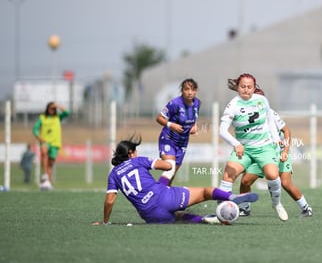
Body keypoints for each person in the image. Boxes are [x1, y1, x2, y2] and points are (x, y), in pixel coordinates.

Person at [91, 135, 259, 225]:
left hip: (149, 215)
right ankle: (230, 197)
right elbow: (167, 166)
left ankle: (207, 220)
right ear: (130, 154)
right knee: (205, 192)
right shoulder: (138, 160)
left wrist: (105, 221)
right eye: (134, 151)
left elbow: (110, 201)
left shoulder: (113, 174)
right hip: (164, 196)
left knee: (178, 217)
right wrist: (164, 159)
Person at [228, 80, 313, 218]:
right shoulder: (246, 112)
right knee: (245, 181)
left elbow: (287, 131)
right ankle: (245, 209)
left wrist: (285, 151)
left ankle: (306, 208)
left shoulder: (270, 113)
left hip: (278, 152)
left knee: (286, 183)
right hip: (262, 152)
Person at [218, 73, 288, 221]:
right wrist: (236, 144)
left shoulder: (262, 100)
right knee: (228, 175)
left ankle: (277, 204)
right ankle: (222, 208)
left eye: (249, 87)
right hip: (245, 150)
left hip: (265, 148)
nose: (246, 90)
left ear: (254, 88)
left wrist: (276, 139)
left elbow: (269, 120)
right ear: (237, 87)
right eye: (243, 86)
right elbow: (222, 131)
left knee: (272, 175)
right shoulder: (233, 105)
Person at [156, 78, 201, 186]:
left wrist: (194, 126)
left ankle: (164, 198)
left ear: (196, 91)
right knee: (169, 167)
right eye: (187, 89)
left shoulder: (197, 103)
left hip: (183, 142)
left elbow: (193, 119)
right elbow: (159, 118)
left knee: (171, 175)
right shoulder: (174, 103)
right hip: (168, 138)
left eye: (193, 89)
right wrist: (171, 125)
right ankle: (155, 194)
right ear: (182, 90)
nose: (190, 92)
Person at [32, 102, 70, 190]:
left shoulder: (58, 117)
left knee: (51, 163)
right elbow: (35, 129)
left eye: (54, 108)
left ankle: (48, 182)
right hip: (45, 141)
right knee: (44, 152)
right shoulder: (42, 118)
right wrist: (39, 138)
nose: (52, 110)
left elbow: (67, 112)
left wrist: (58, 105)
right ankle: (44, 175)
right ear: (47, 109)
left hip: (55, 143)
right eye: (51, 108)